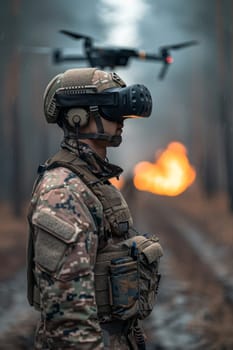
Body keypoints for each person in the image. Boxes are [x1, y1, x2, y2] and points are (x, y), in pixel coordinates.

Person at [27, 67, 163, 350]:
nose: (121, 120)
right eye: (110, 109)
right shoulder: (63, 191)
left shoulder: (93, 181)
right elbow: (68, 319)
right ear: (78, 117)